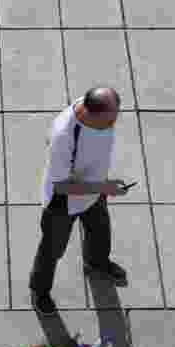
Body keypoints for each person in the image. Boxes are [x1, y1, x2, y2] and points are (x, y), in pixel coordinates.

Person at [29, 87, 130, 316]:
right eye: (111, 117)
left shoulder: (93, 111)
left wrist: (101, 185)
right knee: (52, 249)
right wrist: (103, 187)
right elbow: (61, 185)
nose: (115, 121)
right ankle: (40, 291)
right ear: (93, 113)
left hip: (94, 190)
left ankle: (96, 264)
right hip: (62, 203)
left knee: (100, 231)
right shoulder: (65, 136)